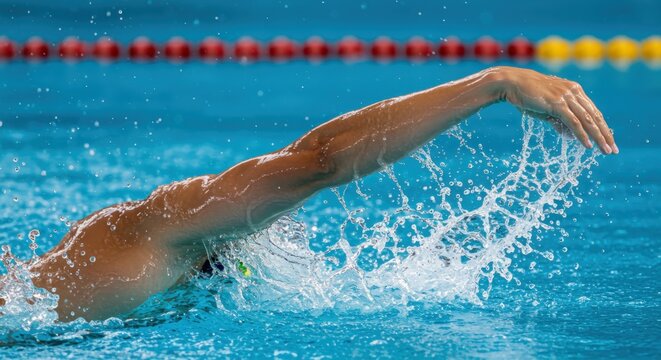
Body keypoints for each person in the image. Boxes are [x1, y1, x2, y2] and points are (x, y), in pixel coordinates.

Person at [8, 66, 617, 321]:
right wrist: (495, 83)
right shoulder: (160, 227)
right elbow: (320, 161)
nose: (285, 228)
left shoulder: (162, 277)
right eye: (273, 222)